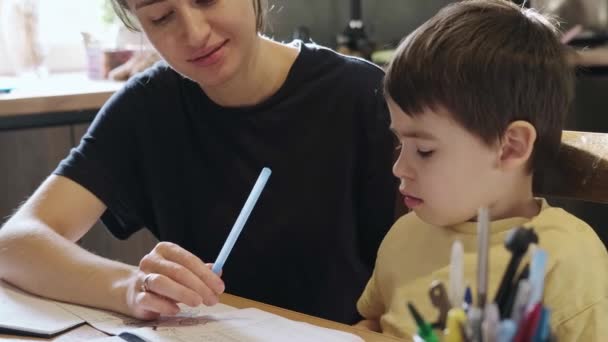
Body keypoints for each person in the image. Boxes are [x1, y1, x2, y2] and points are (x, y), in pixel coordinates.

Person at [0, 0, 396, 324]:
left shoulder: (362, 98)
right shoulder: (147, 108)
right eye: (161, 17)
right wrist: (130, 286)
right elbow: (16, 244)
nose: (193, 34)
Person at [355, 0, 608, 340]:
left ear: (511, 147)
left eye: (425, 151)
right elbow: (372, 323)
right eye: (400, 143)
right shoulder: (406, 235)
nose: (400, 168)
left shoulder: (568, 260)